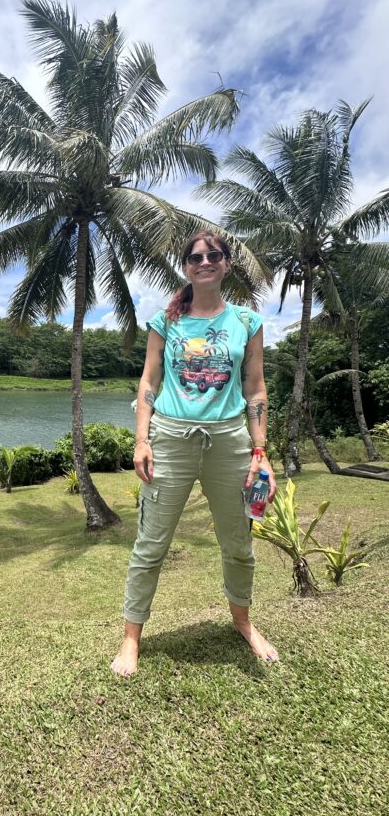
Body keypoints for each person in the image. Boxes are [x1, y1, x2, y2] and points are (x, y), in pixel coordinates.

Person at [111, 231, 278, 676]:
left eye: (214, 255)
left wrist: (260, 451)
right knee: (151, 544)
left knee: (239, 545)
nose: (205, 262)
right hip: (170, 437)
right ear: (186, 266)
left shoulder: (247, 321)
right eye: (195, 257)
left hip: (229, 440)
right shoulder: (165, 321)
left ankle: (243, 622)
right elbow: (148, 383)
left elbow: (255, 387)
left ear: (226, 264)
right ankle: (131, 639)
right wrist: (141, 440)